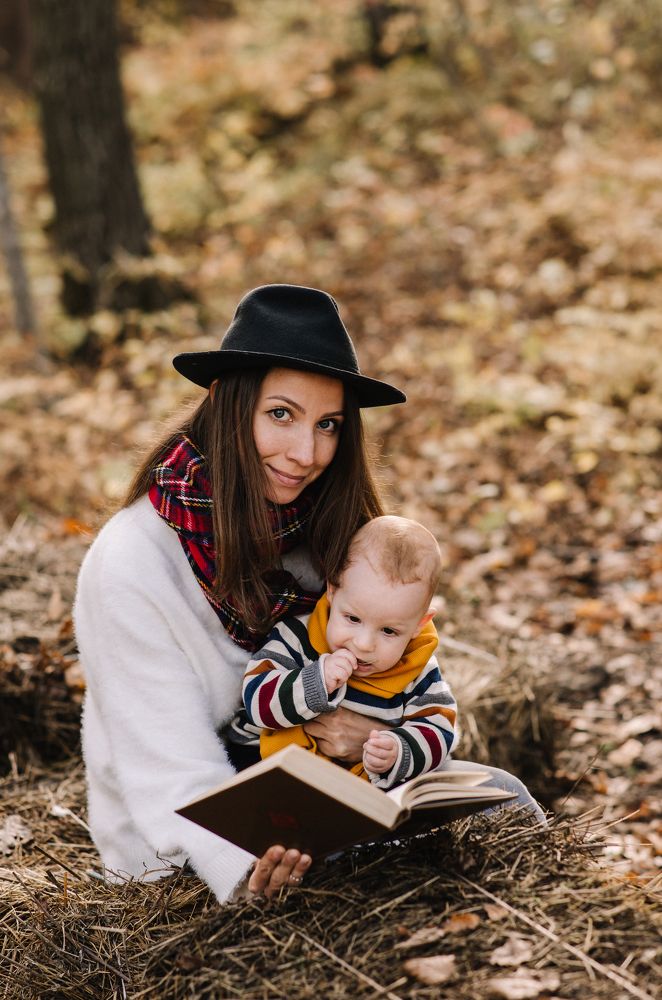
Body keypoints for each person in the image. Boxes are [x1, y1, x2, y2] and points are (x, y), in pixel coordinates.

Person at [74, 283, 544, 906]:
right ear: (225, 403)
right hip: (194, 838)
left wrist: (375, 742)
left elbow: (398, 674)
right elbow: (168, 770)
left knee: (507, 802)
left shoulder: (324, 527)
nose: (305, 453)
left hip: (332, 782)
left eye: (328, 425)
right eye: (281, 414)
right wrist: (240, 870)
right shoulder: (132, 562)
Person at [227, 515, 459, 791]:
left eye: (388, 631)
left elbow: (440, 731)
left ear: (419, 624)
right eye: (353, 618)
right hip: (262, 763)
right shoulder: (297, 637)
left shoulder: (418, 669)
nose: (363, 644)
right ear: (333, 591)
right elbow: (256, 700)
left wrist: (400, 750)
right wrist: (315, 682)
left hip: (352, 787)